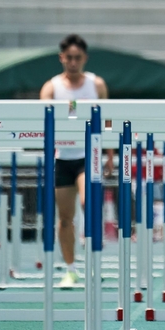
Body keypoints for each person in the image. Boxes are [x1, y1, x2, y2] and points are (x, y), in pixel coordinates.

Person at [40, 34, 114, 288]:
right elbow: (43, 125)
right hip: (62, 158)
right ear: (62, 58)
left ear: (85, 58)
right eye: (68, 57)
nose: (72, 62)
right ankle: (70, 269)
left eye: (77, 58)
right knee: (64, 218)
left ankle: (94, 263)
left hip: (88, 156)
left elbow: (107, 121)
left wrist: (110, 155)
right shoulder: (51, 88)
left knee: (89, 204)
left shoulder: (96, 85)